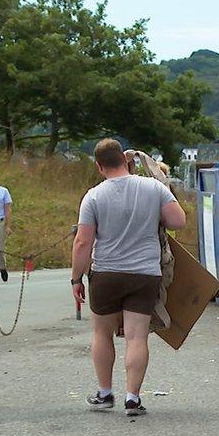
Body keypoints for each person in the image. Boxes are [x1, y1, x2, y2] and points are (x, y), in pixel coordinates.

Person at [71, 139, 186, 417]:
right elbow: (178, 221)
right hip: (144, 274)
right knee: (136, 338)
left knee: (102, 333)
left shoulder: (94, 196)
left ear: (99, 166)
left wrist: (76, 278)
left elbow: (83, 243)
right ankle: (132, 398)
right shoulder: (154, 188)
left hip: (106, 273)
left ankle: (105, 392)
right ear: (125, 160)